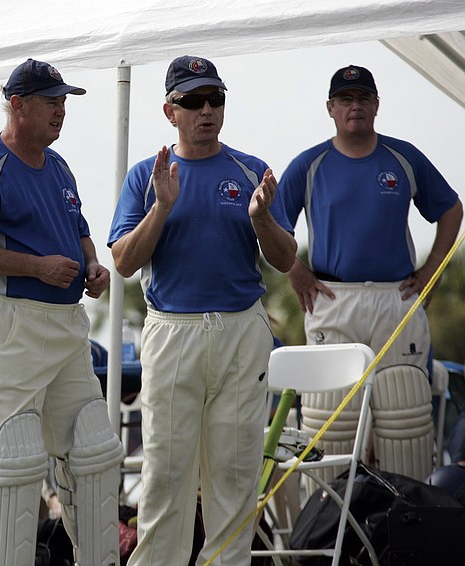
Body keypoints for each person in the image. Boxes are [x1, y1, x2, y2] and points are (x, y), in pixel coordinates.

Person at [108, 55, 297, 565]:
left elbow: (285, 259)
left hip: (241, 328)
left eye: (215, 98)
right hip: (174, 331)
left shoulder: (250, 170)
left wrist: (260, 220)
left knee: (234, 481)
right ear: (171, 111)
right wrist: (162, 206)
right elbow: (123, 262)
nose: (207, 109)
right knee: (166, 478)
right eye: (193, 101)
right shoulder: (147, 177)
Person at [0, 58, 126, 566]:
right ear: (17, 105)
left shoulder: (59, 164)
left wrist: (93, 264)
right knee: (17, 462)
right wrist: (35, 267)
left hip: (67, 326)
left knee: (94, 450)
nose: (60, 112)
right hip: (12, 322)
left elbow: (81, 228)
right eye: (51, 102)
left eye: (63, 103)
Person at [277, 64, 462, 372]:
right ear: (330, 108)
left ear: (376, 105)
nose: (355, 106)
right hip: (333, 298)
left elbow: (451, 209)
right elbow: (271, 225)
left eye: (363, 98)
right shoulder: (308, 165)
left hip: (396, 296)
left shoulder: (403, 157)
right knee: (332, 409)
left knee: (403, 408)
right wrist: (294, 269)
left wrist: (433, 268)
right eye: (345, 99)